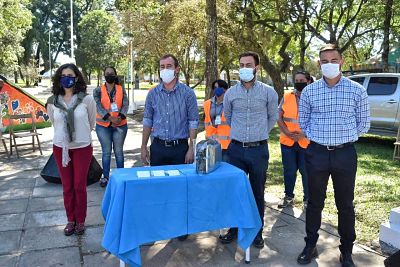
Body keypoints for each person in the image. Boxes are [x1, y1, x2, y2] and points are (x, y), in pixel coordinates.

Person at [297, 44, 370, 267]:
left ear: (342, 62)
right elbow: (303, 121)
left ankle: (346, 251)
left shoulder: (357, 90)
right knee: (314, 202)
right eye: (324, 61)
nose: (329, 64)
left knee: (345, 204)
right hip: (317, 153)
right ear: (319, 64)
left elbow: (363, 123)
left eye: (333, 60)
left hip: (345, 154)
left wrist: (342, 137)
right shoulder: (310, 91)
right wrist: (319, 137)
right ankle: (310, 245)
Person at [220, 51, 278, 248]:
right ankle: (234, 229)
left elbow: (272, 117)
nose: (244, 68)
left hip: (258, 151)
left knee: (257, 192)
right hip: (235, 150)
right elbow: (228, 116)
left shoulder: (269, 92)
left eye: (248, 64)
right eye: (241, 64)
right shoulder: (231, 93)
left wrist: (259, 133)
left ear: (257, 68)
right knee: (235, 191)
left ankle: (257, 232)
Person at [141, 54, 199, 240]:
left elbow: (193, 121)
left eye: (169, 66)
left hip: (180, 149)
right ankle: (160, 225)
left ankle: (181, 227)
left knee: (181, 190)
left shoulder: (187, 93)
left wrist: (191, 147)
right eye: (162, 66)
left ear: (177, 69)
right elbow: (148, 120)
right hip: (158, 148)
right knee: (158, 189)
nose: (165, 70)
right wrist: (143, 146)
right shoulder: (153, 93)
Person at [46, 63, 97, 236]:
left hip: (82, 147)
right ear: (59, 78)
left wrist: (78, 135)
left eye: (70, 75)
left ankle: (80, 221)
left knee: (79, 186)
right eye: (63, 75)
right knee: (67, 186)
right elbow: (55, 123)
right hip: (61, 148)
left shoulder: (87, 99)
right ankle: (70, 220)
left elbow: (91, 123)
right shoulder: (53, 101)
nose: (67, 78)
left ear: (76, 78)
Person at [277, 71, 313, 209]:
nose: (298, 82)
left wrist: (303, 134)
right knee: (289, 171)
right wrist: (286, 132)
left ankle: (307, 200)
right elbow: (279, 116)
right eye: (296, 80)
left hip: (306, 142)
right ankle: (288, 197)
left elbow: (317, 119)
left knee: (306, 172)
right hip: (287, 141)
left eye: (302, 80)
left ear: (308, 81)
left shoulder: (313, 96)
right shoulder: (287, 96)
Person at [93, 66, 128, 187]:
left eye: (111, 73)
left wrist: (120, 117)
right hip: (103, 126)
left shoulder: (121, 89)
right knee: (106, 153)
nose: (109, 75)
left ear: (115, 75)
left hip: (120, 125)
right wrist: (109, 117)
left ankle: (121, 176)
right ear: (104, 76)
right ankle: (106, 177)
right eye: (107, 73)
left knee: (119, 152)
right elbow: (98, 106)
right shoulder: (98, 90)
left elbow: (125, 103)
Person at [203, 79, 230, 160]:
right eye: (215, 87)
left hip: (226, 145)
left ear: (225, 89)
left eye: (219, 87)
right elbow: (207, 121)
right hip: (211, 143)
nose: (216, 89)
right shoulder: (207, 104)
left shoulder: (230, 103)